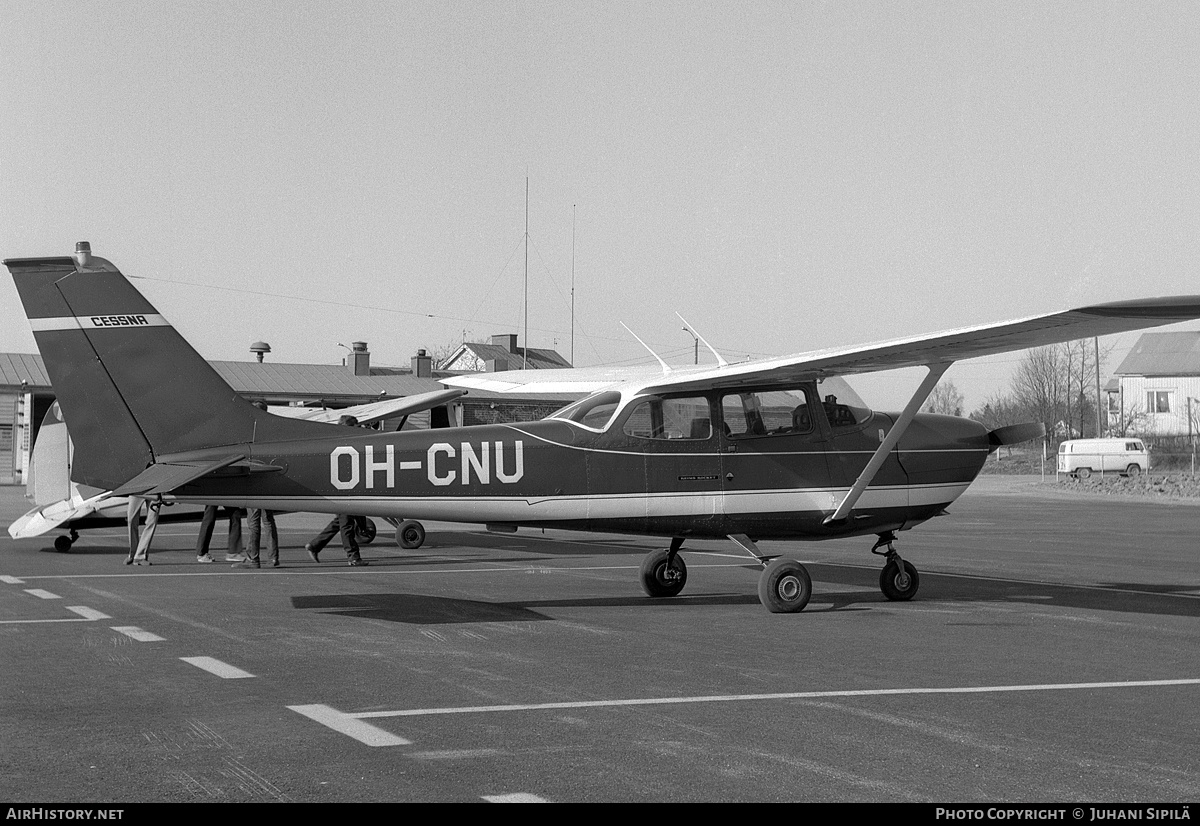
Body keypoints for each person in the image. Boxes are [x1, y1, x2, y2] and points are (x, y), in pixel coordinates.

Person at [305, 415, 368, 567]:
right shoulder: (345, 444)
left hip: (346, 487)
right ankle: (353, 556)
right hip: (343, 489)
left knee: (340, 521)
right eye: (356, 426)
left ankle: (315, 545)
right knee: (346, 524)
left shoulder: (337, 442)